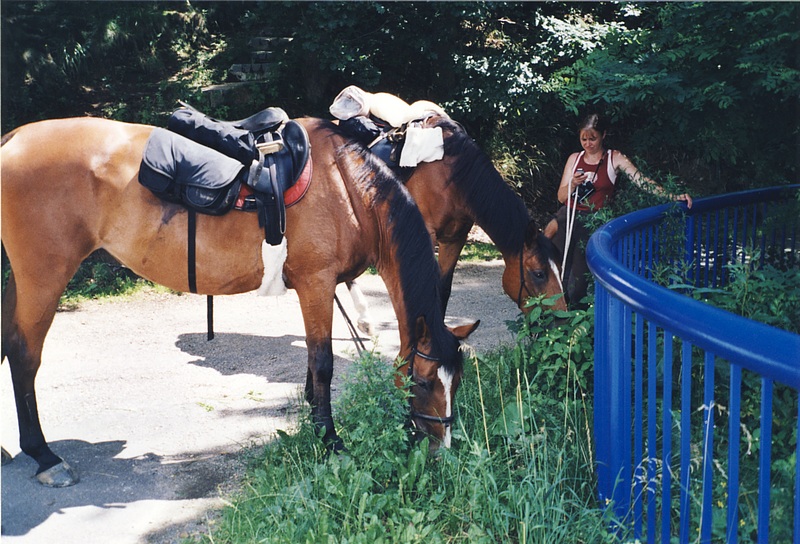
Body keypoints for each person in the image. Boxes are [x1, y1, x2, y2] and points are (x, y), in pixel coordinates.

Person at [549, 113, 692, 308]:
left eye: (593, 138)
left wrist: (673, 197)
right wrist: (573, 184)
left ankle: (575, 324)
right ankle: (550, 321)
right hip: (569, 217)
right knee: (556, 271)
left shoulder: (613, 158)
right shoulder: (574, 158)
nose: (588, 144)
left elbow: (642, 182)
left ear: (603, 135)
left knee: (579, 282)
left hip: (592, 221)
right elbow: (561, 197)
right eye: (584, 139)